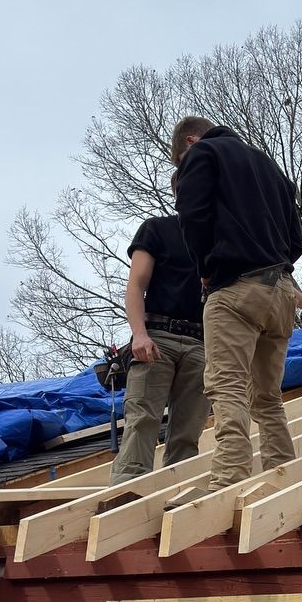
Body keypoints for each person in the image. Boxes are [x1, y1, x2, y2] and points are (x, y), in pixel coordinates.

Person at [170, 115, 302, 489]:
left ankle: (228, 479)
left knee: (226, 386)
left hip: (234, 290)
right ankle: (284, 479)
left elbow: (193, 217)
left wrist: (205, 268)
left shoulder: (202, 154)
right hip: (280, 292)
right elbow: (295, 240)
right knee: (267, 398)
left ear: (191, 142)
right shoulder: (268, 165)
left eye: (180, 162)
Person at [110, 198, 210, 481]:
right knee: (142, 420)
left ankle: (176, 498)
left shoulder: (218, 241)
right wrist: (139, 335)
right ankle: (126, 497)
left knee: (189, 431)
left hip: (201, 344)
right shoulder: (157, 229)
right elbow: (136, 286)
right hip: (157, 337)